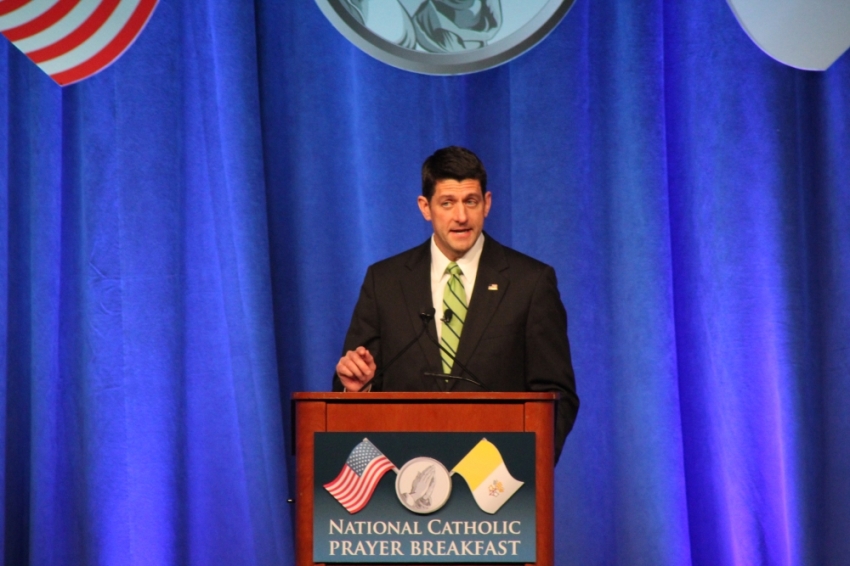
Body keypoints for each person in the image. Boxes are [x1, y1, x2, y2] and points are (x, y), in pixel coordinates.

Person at [333, 146, 579, 460]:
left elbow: (556, 397)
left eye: (470, 202)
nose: (461, 216)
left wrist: (525, 472)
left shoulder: (530, 283)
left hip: (498, 488)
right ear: (425, 207)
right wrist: (358, 389)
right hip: (402, 478)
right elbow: (355, 380)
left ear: (486, 204)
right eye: (447, 203)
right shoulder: (385, 282)